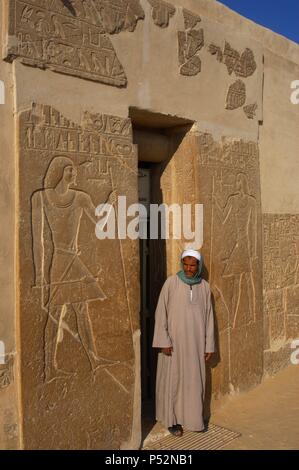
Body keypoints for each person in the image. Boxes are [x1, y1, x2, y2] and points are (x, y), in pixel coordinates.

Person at [152, 249, 215, 436]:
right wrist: (163, 340)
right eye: (186, 265)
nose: (188, 269)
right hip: (174, 345)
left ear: (198, 266)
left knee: (194, 382)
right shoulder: (171, 283)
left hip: (196, 345)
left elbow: (209, 317)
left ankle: (193, 419)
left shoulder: (204, 287)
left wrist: (208, 344)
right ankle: (173, 421)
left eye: (192, 265)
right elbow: (160, 312)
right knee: (174, 381)